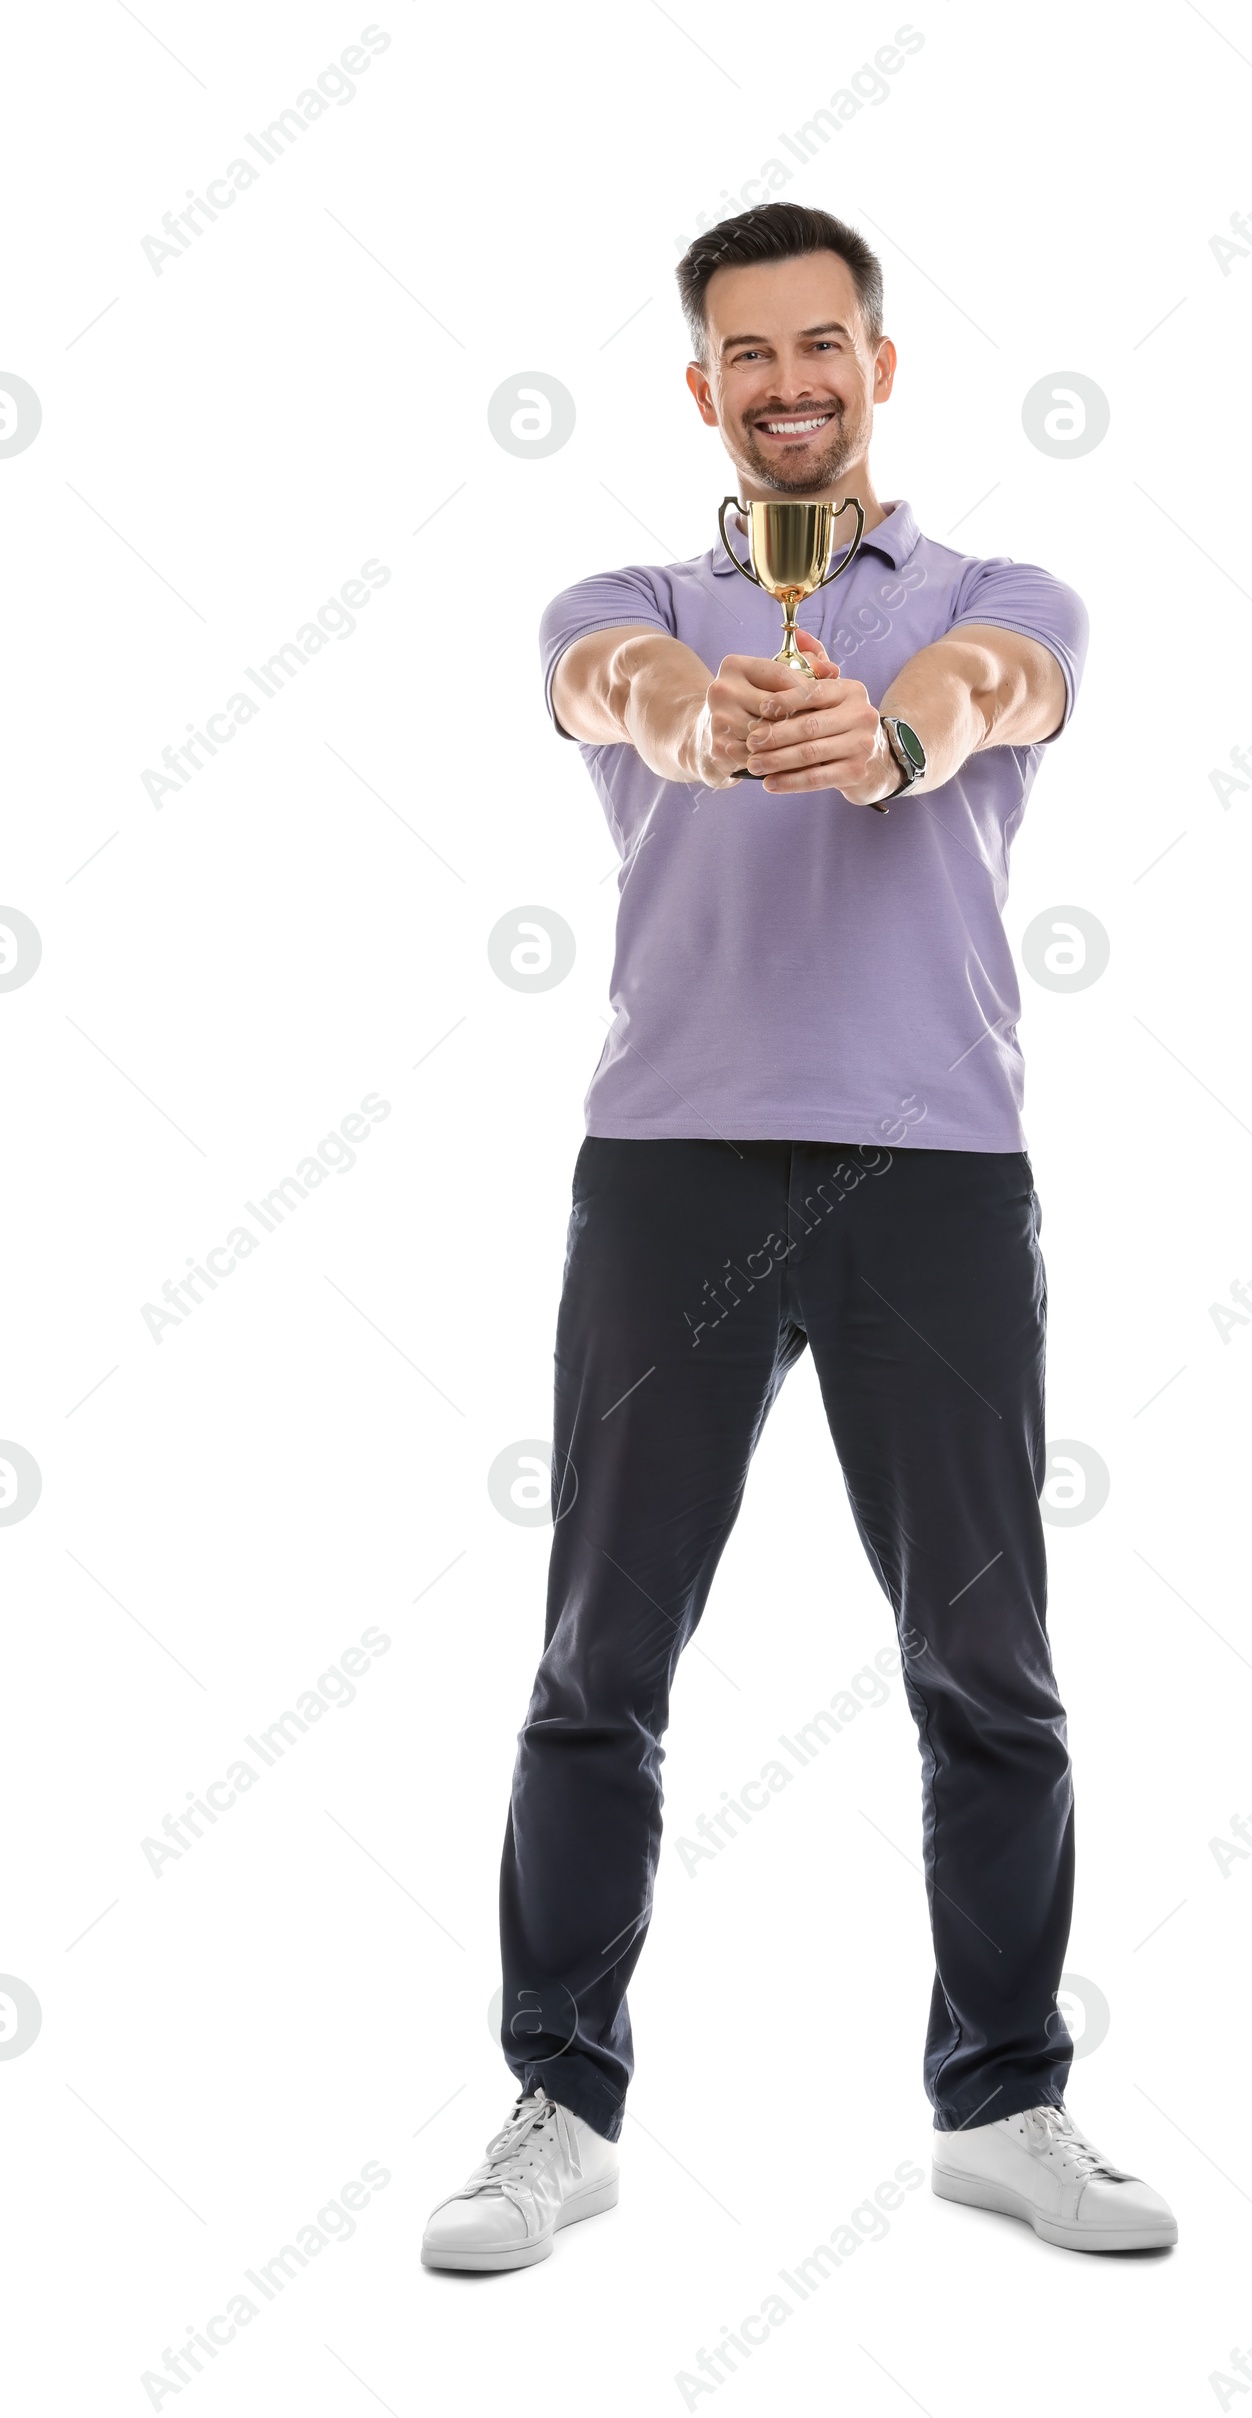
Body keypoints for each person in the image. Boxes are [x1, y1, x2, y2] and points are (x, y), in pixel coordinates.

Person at [421, 202, 1176, 2272]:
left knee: (986, 1667)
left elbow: (1002, 684)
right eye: (746, 355)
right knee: (600, 1662)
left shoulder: (993, 591)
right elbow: (616, 681)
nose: (788, 384)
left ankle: (1004, 2099)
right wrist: (699, 728)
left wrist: (897, 734)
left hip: (932, 1175)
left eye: (820, 345)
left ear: (877, 364)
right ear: (700, 387)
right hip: (667, 1171)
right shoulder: (630, 594)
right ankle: (556, 2103)